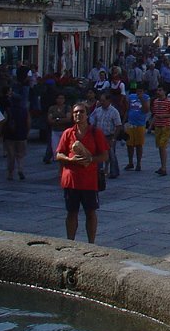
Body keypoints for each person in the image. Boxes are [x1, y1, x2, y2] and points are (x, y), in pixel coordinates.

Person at [55, 102, 108, 244]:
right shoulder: (68, 133)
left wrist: (91, 159)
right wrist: (70, 159)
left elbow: (104, 155)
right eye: (76, 112)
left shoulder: (95, 133)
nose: (78, 114)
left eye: (82, 112)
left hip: (89, 181)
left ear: (87, 115)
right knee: (71, 212)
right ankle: (70, 242)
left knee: (90, 212)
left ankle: (91, 243)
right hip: (71, 180)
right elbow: (59, 154)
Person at [88, 93, 123, 179]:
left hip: (109, 136)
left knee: (111, 155)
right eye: (101, 100)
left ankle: (114, 172)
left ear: (109, 101)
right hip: (99, 136)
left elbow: (118, 125)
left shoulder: (114, 111)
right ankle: (99, 172)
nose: (102, 102)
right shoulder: (97, 110)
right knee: (98, 154)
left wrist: (114, 138)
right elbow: (92, 122)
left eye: (104, 101)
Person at [2, 84, 30, 181]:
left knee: (11, 155)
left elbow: (3, 121)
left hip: (10, 135)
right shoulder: (25, 110)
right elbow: (28, 122)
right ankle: (20, 169)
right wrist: (27, 132)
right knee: (21, 154)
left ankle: (10, 173)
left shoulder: (8, 110)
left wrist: (1, 133)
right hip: (21, 135)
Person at [124, 87, 150, 172]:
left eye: (141, 91)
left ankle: (139, 163)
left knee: (139, 145)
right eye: (138, 91)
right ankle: (130, 162)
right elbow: (127, 109)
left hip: (140, 124)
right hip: (130, 123)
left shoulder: (146, 98)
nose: (139, 93)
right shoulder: (131, 97)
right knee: (129, 144)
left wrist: (141, 99)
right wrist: (124, 121)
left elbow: (146, 110)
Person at [46, 93, 72, 166]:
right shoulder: (52, 108)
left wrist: (56, 119)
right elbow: (50, 120)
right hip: (55, 131)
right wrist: (61, 119)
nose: (60, 100)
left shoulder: (67, 108)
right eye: (59, 98)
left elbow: (68, 119)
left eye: (62, 98)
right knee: (55, 148)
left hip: (64, 131)